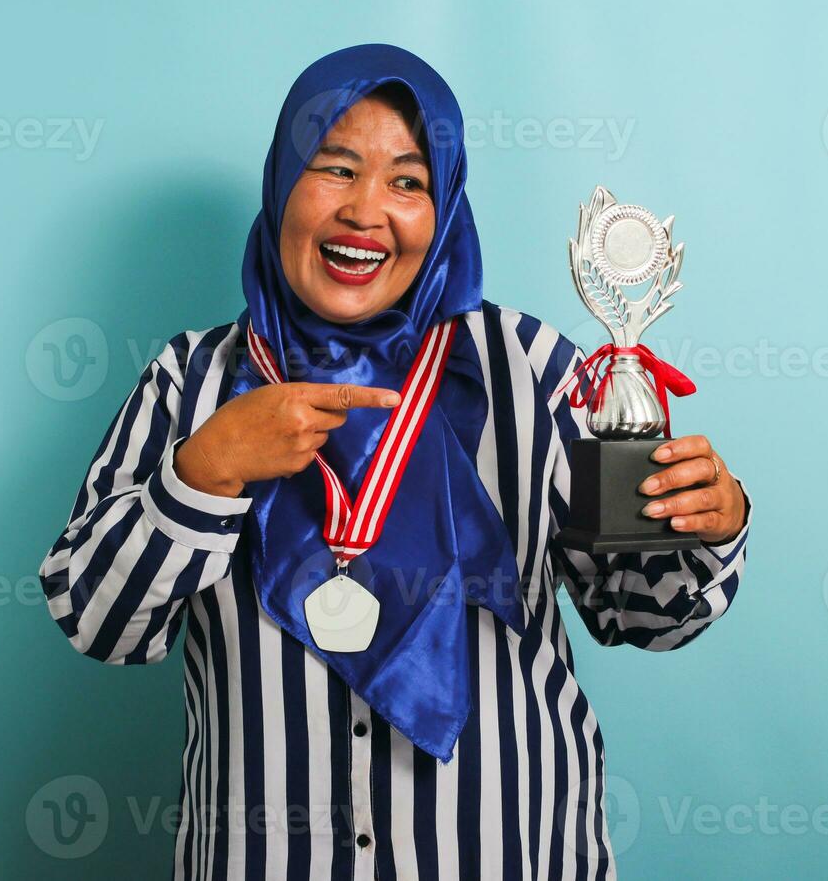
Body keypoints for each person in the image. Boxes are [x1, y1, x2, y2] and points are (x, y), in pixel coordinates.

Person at [38, 43, 750, 880]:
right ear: (281, 184)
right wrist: (205, 471)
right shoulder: (190, 380)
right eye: (335, 170)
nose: (366, 211)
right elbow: (98, 619)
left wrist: (709, 522)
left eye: (407, 182)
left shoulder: (531, 370)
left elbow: (642, 615)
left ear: (443, 206)